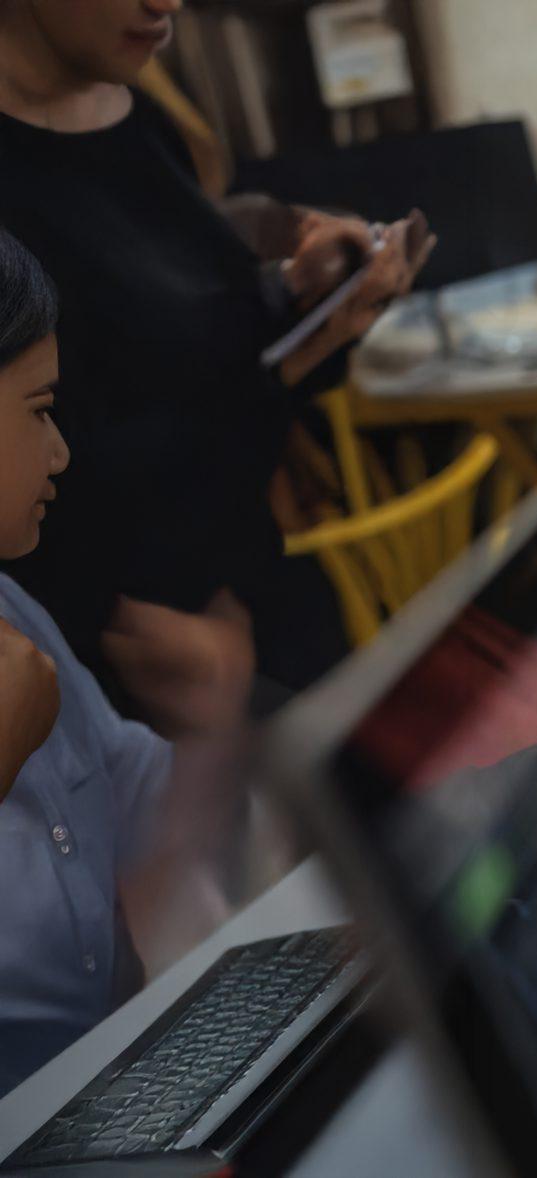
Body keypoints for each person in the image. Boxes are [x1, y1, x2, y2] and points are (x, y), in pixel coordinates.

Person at [0, 0, 423, 727]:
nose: (167, 3)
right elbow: (76, 473)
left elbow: (199, 364)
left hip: (250, 608)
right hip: (131, 679)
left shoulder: (138, 115)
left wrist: (306, 306)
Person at [0, 229, 254, 1095]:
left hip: (118, 1093)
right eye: (39, 410)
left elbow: (137, 801)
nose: (61, 451)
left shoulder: (14, 612)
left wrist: (212, 729)